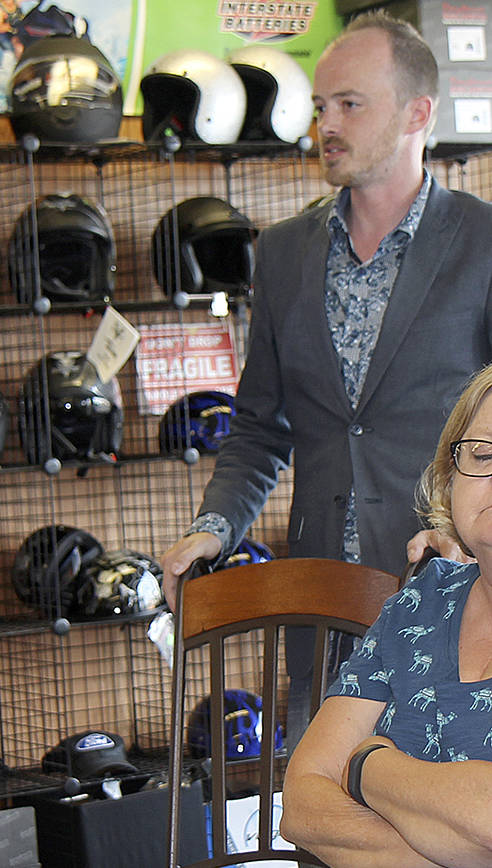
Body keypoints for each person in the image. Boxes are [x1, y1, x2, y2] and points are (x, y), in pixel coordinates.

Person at [158, 12, 492, 735]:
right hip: (319, 599)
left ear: (418, 113)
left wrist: (468, 528)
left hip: (453, 588)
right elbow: (259, 424)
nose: (326, 125)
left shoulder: (483, 243)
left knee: (434, 821)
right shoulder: (281, 253)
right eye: (319, 107)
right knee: (318, 808)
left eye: (350, 104)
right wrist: (213, 527)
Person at [281, 362, 492, 866]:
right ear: (448, 474)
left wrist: (367, 766)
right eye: (483, 454)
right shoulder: (420, 604)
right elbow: (302, 806)